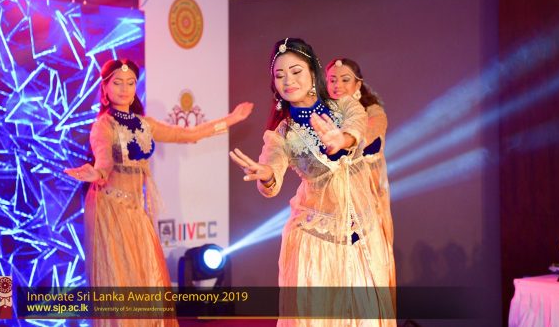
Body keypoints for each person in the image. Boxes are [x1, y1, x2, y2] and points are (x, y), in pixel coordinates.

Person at [65, 58, 252, 327]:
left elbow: (187, 135)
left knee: (146, 275)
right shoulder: (103, 126)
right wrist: (98, 173)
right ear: (104, 88)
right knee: (121, 277)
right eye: (117, 83)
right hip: (110, 210)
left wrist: (231, 119)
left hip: (135, 210)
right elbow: (104, 158)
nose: (124, 89)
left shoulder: (144, 124)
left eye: (130, 83)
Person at [230, 38, 394, 326]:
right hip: (316, 244)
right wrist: (267, 174)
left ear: (313, 72)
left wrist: (343, 139)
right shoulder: (282, 133)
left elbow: (358, 124)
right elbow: (272, 165)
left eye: (296, 72)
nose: (288, 81)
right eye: (280, 75)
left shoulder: (344, 106)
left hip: (363, 236)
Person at [326, 57, 396, 291]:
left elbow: (368, 139)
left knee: (362, 275)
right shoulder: (321, 115)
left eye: (345, 80)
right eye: (332, 80)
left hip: (364, 202)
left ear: (358, 84)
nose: (337, 85)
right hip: (331, 204)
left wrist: (343, 141)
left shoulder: (373, 113)